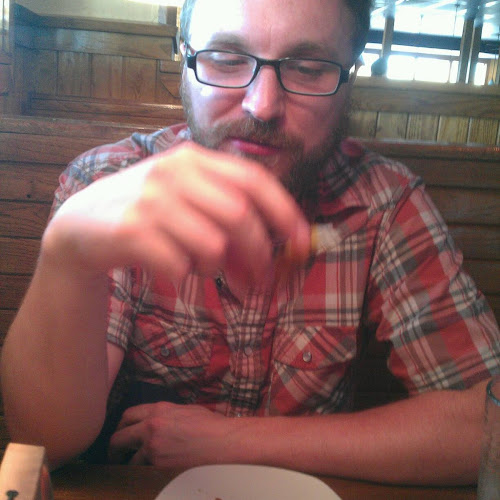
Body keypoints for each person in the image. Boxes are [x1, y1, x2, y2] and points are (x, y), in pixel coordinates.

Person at [1, 0, 499, 486]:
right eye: (225, 59)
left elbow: (486, 423)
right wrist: (65, 259)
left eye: (307, 69)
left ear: (349, 78)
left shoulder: (385, 202)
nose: (262, 105)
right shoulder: (106, 184)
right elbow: (44, 441)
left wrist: (228, 441)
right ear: (184, 57)